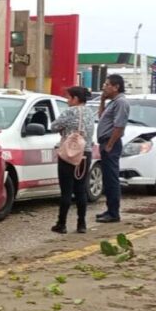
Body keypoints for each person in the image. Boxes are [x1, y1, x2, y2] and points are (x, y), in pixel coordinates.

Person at [49, 86, 96, 234]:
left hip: (69, 154)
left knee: (66, 190)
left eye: (68, 98)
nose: (67, 101)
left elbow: (54, 126)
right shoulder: (90, 113)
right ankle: (81, 224)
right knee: (80, 189)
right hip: (85, 154)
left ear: (75, 99)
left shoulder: (70, 112)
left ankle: (61, 223)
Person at [95, 74, 130, 223]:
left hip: (111, 144)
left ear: (116, 87)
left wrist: (109, 145)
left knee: (112, 179)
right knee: (107, 179)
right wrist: (102, 100)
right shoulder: (113, 102)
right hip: (105, 142)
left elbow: (119, 126)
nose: (104, 87)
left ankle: (114, 213)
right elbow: (102, 116)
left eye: (107, 84)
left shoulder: (121, 102)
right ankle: (109, 209)